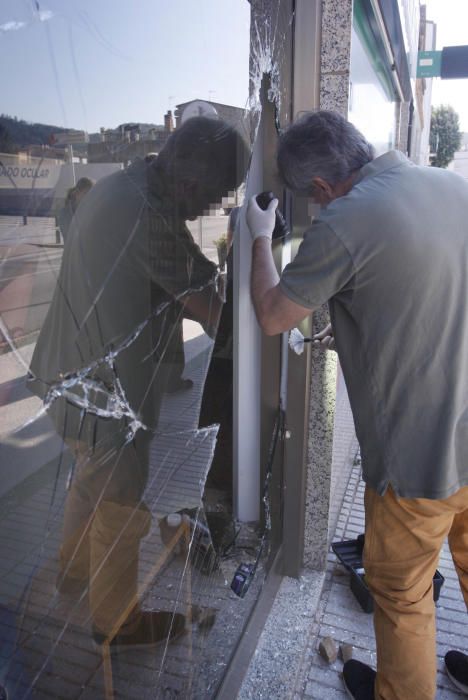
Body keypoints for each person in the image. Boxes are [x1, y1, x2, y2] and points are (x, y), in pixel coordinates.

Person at [246, 110, 468, 700]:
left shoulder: (347, 219)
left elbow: (273, 314)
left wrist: (259, 236)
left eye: (309, 201)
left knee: (404, 598)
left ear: (319, 190)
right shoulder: (453, 186)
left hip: (420, 465)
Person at [28, 116, 248, 649]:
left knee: (88, 484)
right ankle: (116, 624)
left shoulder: (121, 186)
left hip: (66, 375)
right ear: (193, 183)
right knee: (119, 508)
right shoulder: (147, 216)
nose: (213, 209)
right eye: (217, 196)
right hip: (104, 397)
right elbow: (213, 308)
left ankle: (73, 574)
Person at [57, 177, 94, 243]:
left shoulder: (88, 209)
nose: (89, 197)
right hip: (74, 251)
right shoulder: (65, 213)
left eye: (91, 194)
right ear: (77, 193)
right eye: (86, 193)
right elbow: (70, 237)